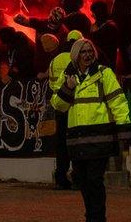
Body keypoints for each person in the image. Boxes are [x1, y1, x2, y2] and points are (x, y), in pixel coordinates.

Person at [51, 39, 131, 222]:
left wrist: (123, 131)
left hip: (99, 139)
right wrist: (67, 88)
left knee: (95, 181)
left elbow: (118, 102)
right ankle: (91, 216)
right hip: (77, 140)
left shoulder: (104, 74)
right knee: (83, 182)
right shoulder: (68, 76)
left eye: (90, 51)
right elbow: (58, 105)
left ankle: (97, 218)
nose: (87, 55)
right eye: (83, 52)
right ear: (76, 55)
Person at [46, 29, 83, 189]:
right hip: (75, 105)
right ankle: (77, 178)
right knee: (76, 141)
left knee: (61, 143)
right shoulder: (77, 59)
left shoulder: (54, 60)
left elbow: (51, 83)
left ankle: (61, 178)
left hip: (59, 105)